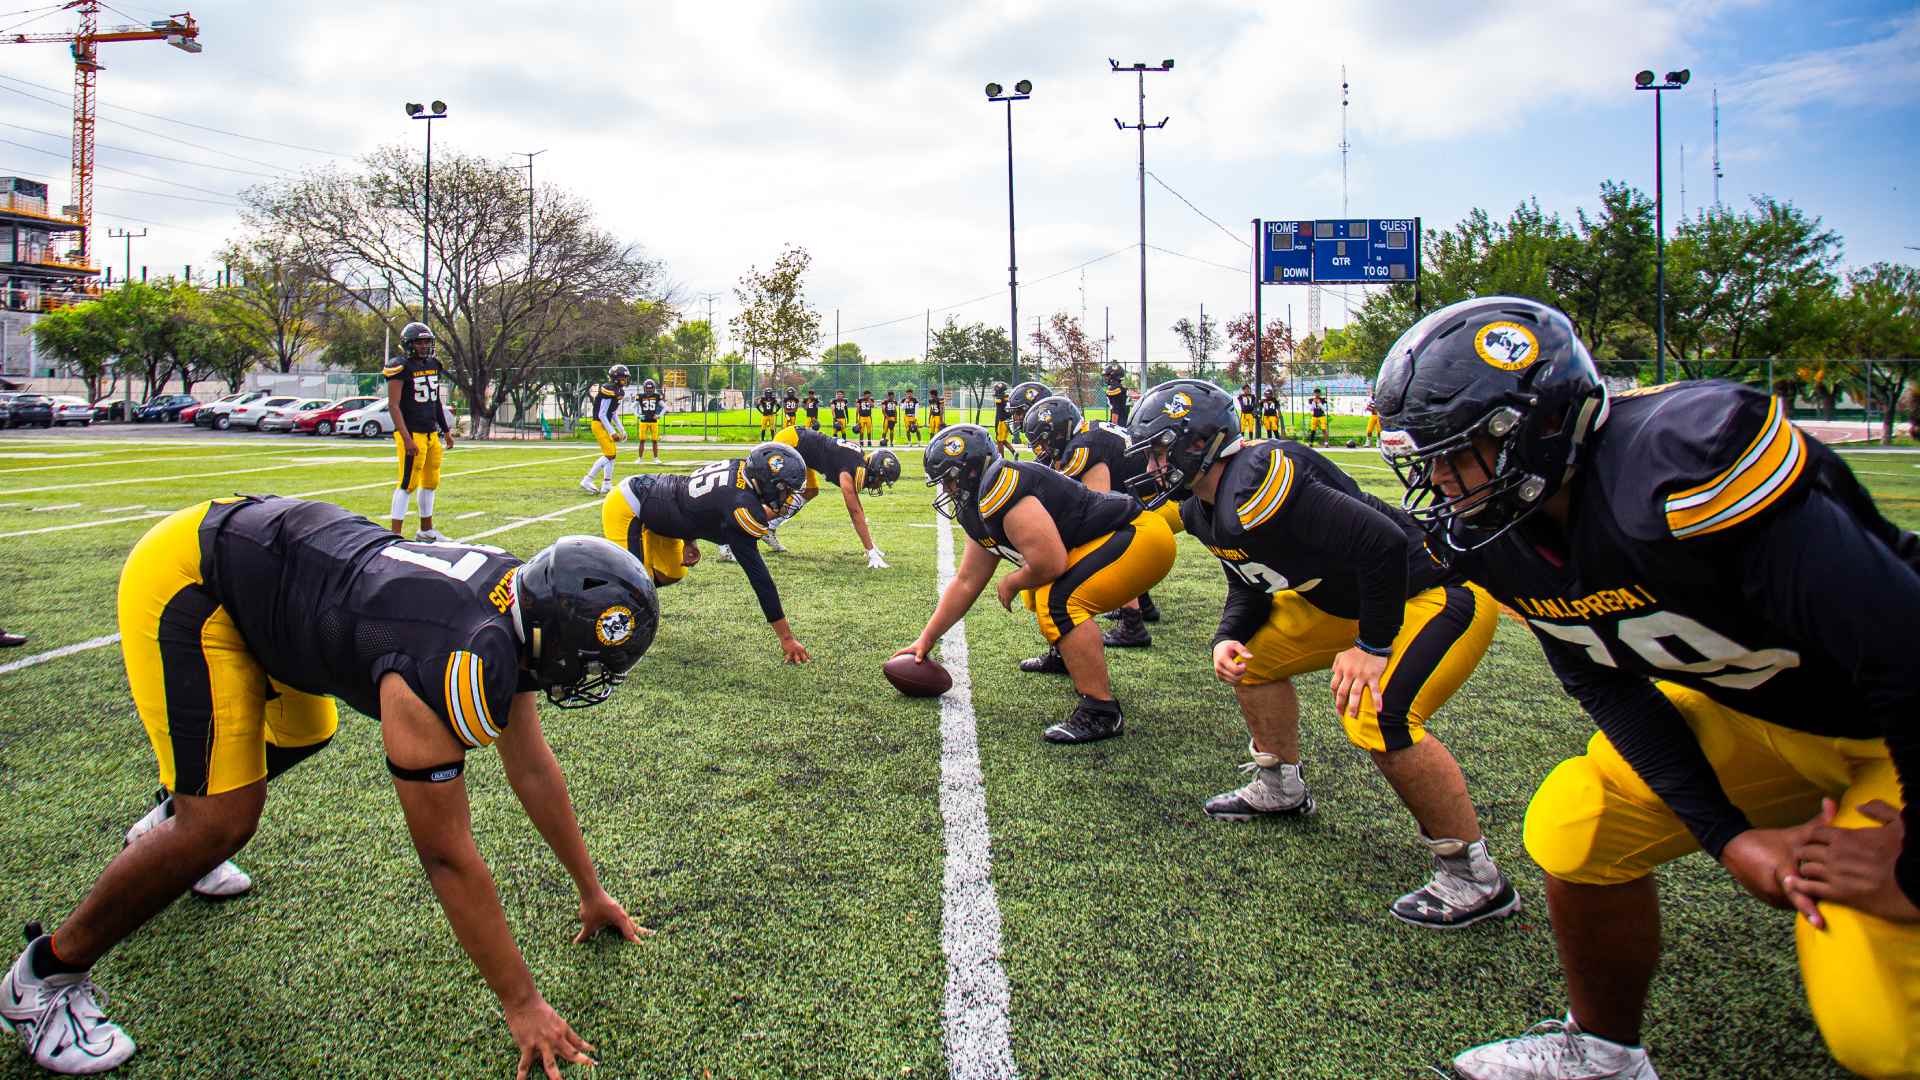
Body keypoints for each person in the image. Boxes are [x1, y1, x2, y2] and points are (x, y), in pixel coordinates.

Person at [1375, 296, 1920, 1079]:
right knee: (1579, 818)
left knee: (1881, 1037)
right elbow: (1611, 693)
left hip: (1889, 722)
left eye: (1452, 453)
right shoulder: (1496, 540)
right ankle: (1603, 1053)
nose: (1434, 481)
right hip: (1760, 711)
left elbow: (1903, 651)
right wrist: (1728, 838)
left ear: (1531, 429)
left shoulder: (1683, 469)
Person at [0, 497, 657, 1078]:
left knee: (304, 730)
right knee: (222, 822)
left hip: (282, 578)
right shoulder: (449, 663)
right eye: (594, 664)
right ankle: (45, 975)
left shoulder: (516, 604)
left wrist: (590, 891)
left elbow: (533, 769)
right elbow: (446, 856)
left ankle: (171, 829)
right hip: (197, 579)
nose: (594, 679)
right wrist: (522, 1003)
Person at [1127, 380, 1518, 930]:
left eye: (1160, 449)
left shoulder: (1261, 475)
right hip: (1345, 601)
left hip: (1426, 593)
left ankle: (1473, 875)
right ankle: (1279, 786)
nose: (1152, 462)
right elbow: (1249, 583)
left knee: (1376, 713)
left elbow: (1382, 544)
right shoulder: (1200, 508)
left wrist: (1372, 646)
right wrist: (1225, 636)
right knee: (1253, 660)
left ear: (1200, 444)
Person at [898, 424, 1176, 744]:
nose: (946, 489)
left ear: (972, 472)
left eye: (950, 478)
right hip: (1119, 538)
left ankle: (1102, 711)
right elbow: (967, 581)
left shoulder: (1000, 488)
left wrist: (1013, 581)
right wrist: (926, 639)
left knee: (1059, 600)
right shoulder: (978, 505)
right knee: (1041, 593)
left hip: (1141, 536)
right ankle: (1065, 655)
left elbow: (1051, 563)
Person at [601, 444, 813, 664]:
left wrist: (688, 539)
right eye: (785, 489)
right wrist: (786, 638)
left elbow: (696, 503)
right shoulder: (740, 505)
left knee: (672, 573)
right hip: (630, 506)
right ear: (768, 482)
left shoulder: (743, 470)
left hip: (662, 509)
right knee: (635, 590)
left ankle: (626, 593)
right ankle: (596, 605)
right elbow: (760, 579)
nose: (787, 497)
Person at [1022, 396, 1176, 652]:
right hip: (1153, 498)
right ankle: (1143, 606)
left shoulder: (1084, 447)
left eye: (1046, 441)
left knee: (1107, 541)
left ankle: (1132, 626)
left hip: (1161, 503)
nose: (1043, 449)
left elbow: (1098, 512)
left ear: (1060, 431)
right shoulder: (1087, 432)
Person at [772, 425, 901, 568]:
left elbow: (858, 508)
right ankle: (753, 524)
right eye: (881, 480)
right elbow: (855, 511)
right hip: (790, 443)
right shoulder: (850, 469)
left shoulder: (856, 463)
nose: (879, 485)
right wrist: (870, 551)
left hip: (798, 444)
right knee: (778, 496)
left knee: (810, 491)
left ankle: (769, 528)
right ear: (875, 470)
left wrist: (870, 544)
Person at [383, 321, 454, 539]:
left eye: (426, 342)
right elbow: (394, 406)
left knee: (431, 481)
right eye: (419, 342)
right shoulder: (400, 366)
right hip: (412, 433)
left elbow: (435, 401)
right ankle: (394, 534)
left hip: (431, 432)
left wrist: (446, 430)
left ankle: (426, 529)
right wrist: (406, 438)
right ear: (408, 344)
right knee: (407, 483)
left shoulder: (433, 364)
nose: (424, 346)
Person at [580, 364, 629, 495]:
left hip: (604, 423)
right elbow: (602, 414)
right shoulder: (608, 389)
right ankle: (587, 480)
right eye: (623, 377)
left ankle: (606, 483)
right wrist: (612, 432)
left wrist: (622, 429)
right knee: (610, 454)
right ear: (615, 377)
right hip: (598, 423)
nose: (625, 380)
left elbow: (612, 412)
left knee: (612, 455)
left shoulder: (619, 391)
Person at [634, 378, 666, 465]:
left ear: (653, 388)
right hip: (643, 421)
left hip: (653, 421)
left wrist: (659, 415)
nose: (649, 390)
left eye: (650, 388)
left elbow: (665, 407)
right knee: (642, 440)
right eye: (647, 388)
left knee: (654, 440)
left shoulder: (656, 396)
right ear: (644, 388)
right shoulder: (640, 396)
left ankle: (655, 458)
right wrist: (638, 415)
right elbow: (632, 406)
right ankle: (640, 458)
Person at [990, 381, 1014, 459]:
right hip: (1006, 420)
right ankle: (1014, 452)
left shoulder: (1000, 399)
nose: (995, 390)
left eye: (996, 389)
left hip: (1001, 421)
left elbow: (998, 400)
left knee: (999, 441)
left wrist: (997, 396)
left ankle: (1001, 459)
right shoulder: (1006, 397)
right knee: (1002, 440)